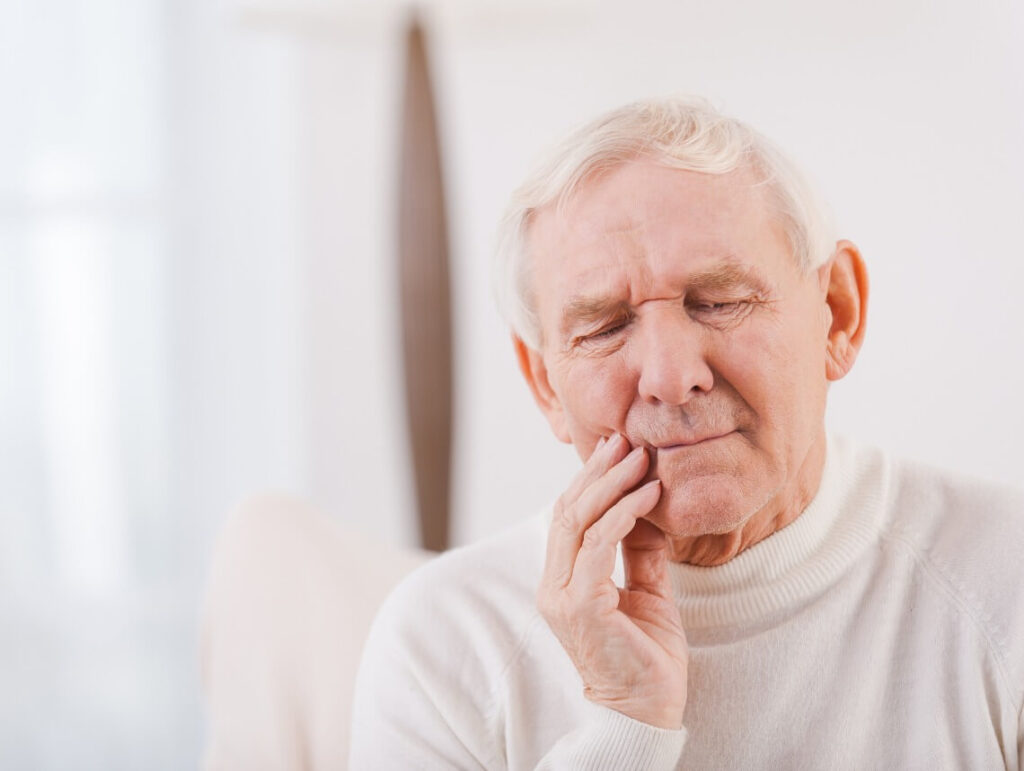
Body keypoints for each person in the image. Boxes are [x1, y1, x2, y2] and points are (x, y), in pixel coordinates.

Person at [349, 97, 1024, 769]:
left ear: (837, 312)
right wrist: (624, 727)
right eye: (604, 328)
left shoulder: (1003, 579)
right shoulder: (443, 647)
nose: (670, 377)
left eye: (719, 302)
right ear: (544, 382)